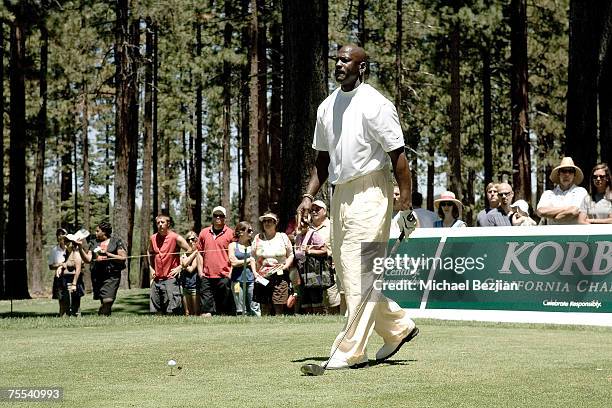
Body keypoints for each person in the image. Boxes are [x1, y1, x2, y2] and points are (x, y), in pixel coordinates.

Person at [297, 44, 418, 370]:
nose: (339, 64)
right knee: (351, 275)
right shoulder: (326, 107)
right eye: (336, 58)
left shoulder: (376, 104)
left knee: (362, 272)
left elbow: (399, 159)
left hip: (372, 191)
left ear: (362, 67)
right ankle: (397, 327)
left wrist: (405, 208)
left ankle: (349, 350)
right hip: (340, 194)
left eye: (346, 60)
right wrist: (308, 196)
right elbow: (322, 161)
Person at [77, 221, 127, 316]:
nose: (95, 233)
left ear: (104, 232)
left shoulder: (116, 242)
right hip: (97, 275)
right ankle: (105, 319)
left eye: (97, 231)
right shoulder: (93, 242)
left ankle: (101, 315)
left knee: (108, 300)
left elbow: (123, 257)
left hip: (112, 275)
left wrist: (108, 254)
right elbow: (87, 259)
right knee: (103, 300)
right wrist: (80, 247)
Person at [252, 212, 294, 316]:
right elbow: (252, 257)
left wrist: (286, 266)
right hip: (262, 276)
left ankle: (279, 327)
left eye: (270, 221)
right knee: (264, 305)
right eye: (265, 221)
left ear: (275, 223)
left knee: (278, 304)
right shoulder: (258, 238)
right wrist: (254, 273)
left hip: (280, 275)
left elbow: (291, 255)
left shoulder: (283, 237)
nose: (267, 223)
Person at [149, 214, 192, 314]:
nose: (160, 225)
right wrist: (151, 268)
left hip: (171, 278)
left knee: (172, 310)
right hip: (156, 279)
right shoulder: (152, 238)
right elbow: (149, 252)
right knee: (154, 310)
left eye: (162, 222)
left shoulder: (175, 237)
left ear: (168, 224)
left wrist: (181, 267)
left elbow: (190, 249)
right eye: (158, 223)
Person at [197, 206, 236, 316]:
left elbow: (234, 255)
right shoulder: (204, 233)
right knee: (206, 311)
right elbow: (199, 253)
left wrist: (230, 273)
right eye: (216, 215)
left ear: (225, 218)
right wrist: (200, 272)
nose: (218, 217)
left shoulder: (231, 233)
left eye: (221, 216)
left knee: (223, 311)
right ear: (212, 217)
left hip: (224, 276)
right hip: (206, 276)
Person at [310, 199, 343, 315]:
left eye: (317, 209)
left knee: (332, 298)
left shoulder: (332, 226)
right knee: (316, 299)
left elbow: (339, 245)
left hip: (329, 266)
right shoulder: (308, 228)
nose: (314, 212)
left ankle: (334, 321)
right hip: (311, 268)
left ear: (325, 211)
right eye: (312, 210)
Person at [536, 157, 588, 225]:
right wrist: (566, 210)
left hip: (574, 234)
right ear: (559, 174)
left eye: (570, 171)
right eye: (563, 171)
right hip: (553, 234)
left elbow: (574, 211)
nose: (567, 174)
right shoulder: (548, 194)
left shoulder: (581, 191)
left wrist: (552, 215)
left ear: (574, 175)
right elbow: (541, 211)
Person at [294, 218, 327, 314]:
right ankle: (309, 319)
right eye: (300, 224)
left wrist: (309, 251)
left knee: (315, 295)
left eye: (304, 224)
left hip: (313, 270)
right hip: (302, 270)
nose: (302, 226)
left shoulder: (314, 234)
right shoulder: (298, 237)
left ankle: (318, 318)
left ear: (308, 225)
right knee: (305, 296)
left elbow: (324, 250)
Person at [228, 221, 260, 316]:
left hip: (251, 280)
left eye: (252, 231)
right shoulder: (233, 245)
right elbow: (233, 262)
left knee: (254, 306)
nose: (251, 233)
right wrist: (248, 260)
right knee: (240, 308)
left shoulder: (253, 245)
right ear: (241, 232)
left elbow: (255, 261)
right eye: (249, 231)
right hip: (237, 281)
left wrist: (248, 264)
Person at [55, 233, 85, 316]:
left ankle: (76, 320)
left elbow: (78, 269)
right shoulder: (68, 253)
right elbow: (67, 264)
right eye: (64, 241)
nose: (65, 243)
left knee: (74, 304)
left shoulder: (76, 253)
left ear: (73, 242)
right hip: (66, 280)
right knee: (66, 302)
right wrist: (61, 266)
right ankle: (68, 318)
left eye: (67, 241)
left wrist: (74, 284)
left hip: (73, 281)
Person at [179, 231, 202, 316]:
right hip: (185, 286)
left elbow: (191, 269)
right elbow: (184, 264)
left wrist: (195, 253)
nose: (190, 241)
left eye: (193, 239)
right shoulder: (184, 254)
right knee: (187, 312)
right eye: (188, 240)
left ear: (196, 240)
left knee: (196, 312)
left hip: (195, 286)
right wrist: (193, 254)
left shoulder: (198, 254)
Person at [49, 228, 67, 303]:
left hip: (70, 276)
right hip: (59, 277)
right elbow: (50, 266)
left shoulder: (71, 248)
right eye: (58, 235)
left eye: (62, 234)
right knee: (61, 300)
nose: (60, 236)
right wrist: (60, 264)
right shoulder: (54, 250)